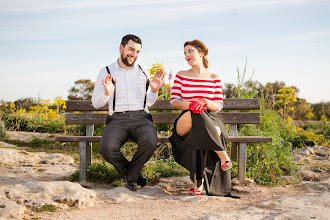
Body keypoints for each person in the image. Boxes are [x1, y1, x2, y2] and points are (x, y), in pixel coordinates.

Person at [91, 34, 165, 191]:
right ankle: (134, 175)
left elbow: (149, 102)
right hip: (117, 120)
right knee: (106, 149)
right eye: (131, 49)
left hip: (141, 119)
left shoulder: (143, 71)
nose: (134, 54)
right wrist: (107, 93)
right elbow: (96, 103)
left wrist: (154, 90)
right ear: (121, 48)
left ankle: (130, 176)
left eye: (137, 51)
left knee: (151, 142)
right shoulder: (105, 72)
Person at [169, 39, 238, 198]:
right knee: (197, 115)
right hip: (185, 120)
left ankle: (197, 183)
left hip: (211, 119)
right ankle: (222, 154)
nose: (187, 55)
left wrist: (206, 102)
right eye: (185, 52)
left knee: (200, 130)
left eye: (190, 51)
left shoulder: (214, 77)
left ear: (201, 53)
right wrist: (192, 105)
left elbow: (219, 105)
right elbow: (174, 102)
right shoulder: (181, 75)